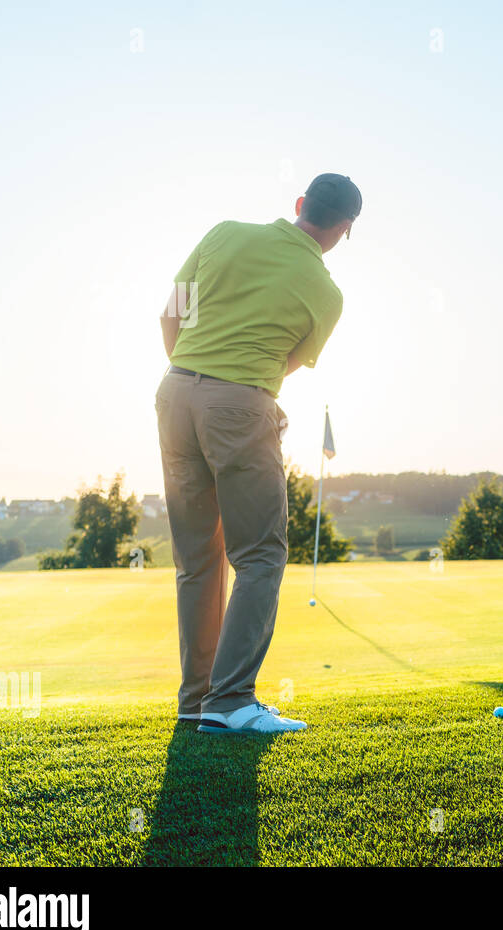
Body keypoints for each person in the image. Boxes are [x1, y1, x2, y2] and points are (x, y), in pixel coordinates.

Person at [155, 173, 361, 734]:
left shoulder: (223, 232)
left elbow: (169, 314)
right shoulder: (328, 294)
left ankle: (196, 699)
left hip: (174, 394)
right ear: (343, 231)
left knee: (198, 560)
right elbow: (287, 362)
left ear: (298, 205)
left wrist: (193, 373)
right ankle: (230, 701)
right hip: (240, 405)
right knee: (260, 557)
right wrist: (231, 389)